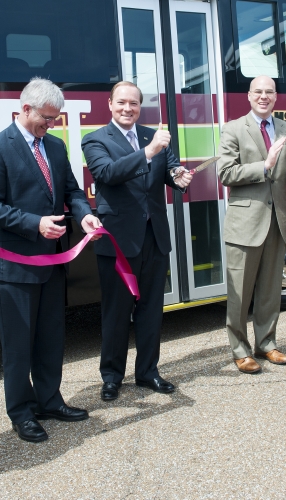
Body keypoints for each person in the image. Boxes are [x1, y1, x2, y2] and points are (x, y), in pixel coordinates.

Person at [0, 77, 103, 442]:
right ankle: (21, 411)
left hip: (53, 262)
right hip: (16, 265)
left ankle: (50, 400)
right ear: (25, 109)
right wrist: (35, 224)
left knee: (51, 338)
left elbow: (72, 191)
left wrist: (84, 215)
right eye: (47, 118)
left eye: (56, 118)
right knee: (18, 345)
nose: (52, 124)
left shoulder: (56, 147)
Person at [81, 81, 193, 401]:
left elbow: (170, 171)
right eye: (122, 102)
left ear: (140, 106)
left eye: (134, 103)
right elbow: (107, 173)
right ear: (110, 104)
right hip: (117, 242)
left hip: (154, 237)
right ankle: (112, 377)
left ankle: (147, 372)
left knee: (151, 311)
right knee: (116, 313)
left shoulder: (153, 135)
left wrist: (179, 178)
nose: (128, 108)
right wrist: (151, 150)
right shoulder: (96, 139)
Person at [217, 75, 286, 374]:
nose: (263, 96)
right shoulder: (233, 128)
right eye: (258, 91)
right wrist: (265, 165)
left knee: (271, 290)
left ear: (275, 97)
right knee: (240, 292)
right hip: (245, 222)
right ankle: (240, 350)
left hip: (277, 220)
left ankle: (267, 344)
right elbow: (225, 173)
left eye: (269, 92)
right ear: (249, 96)